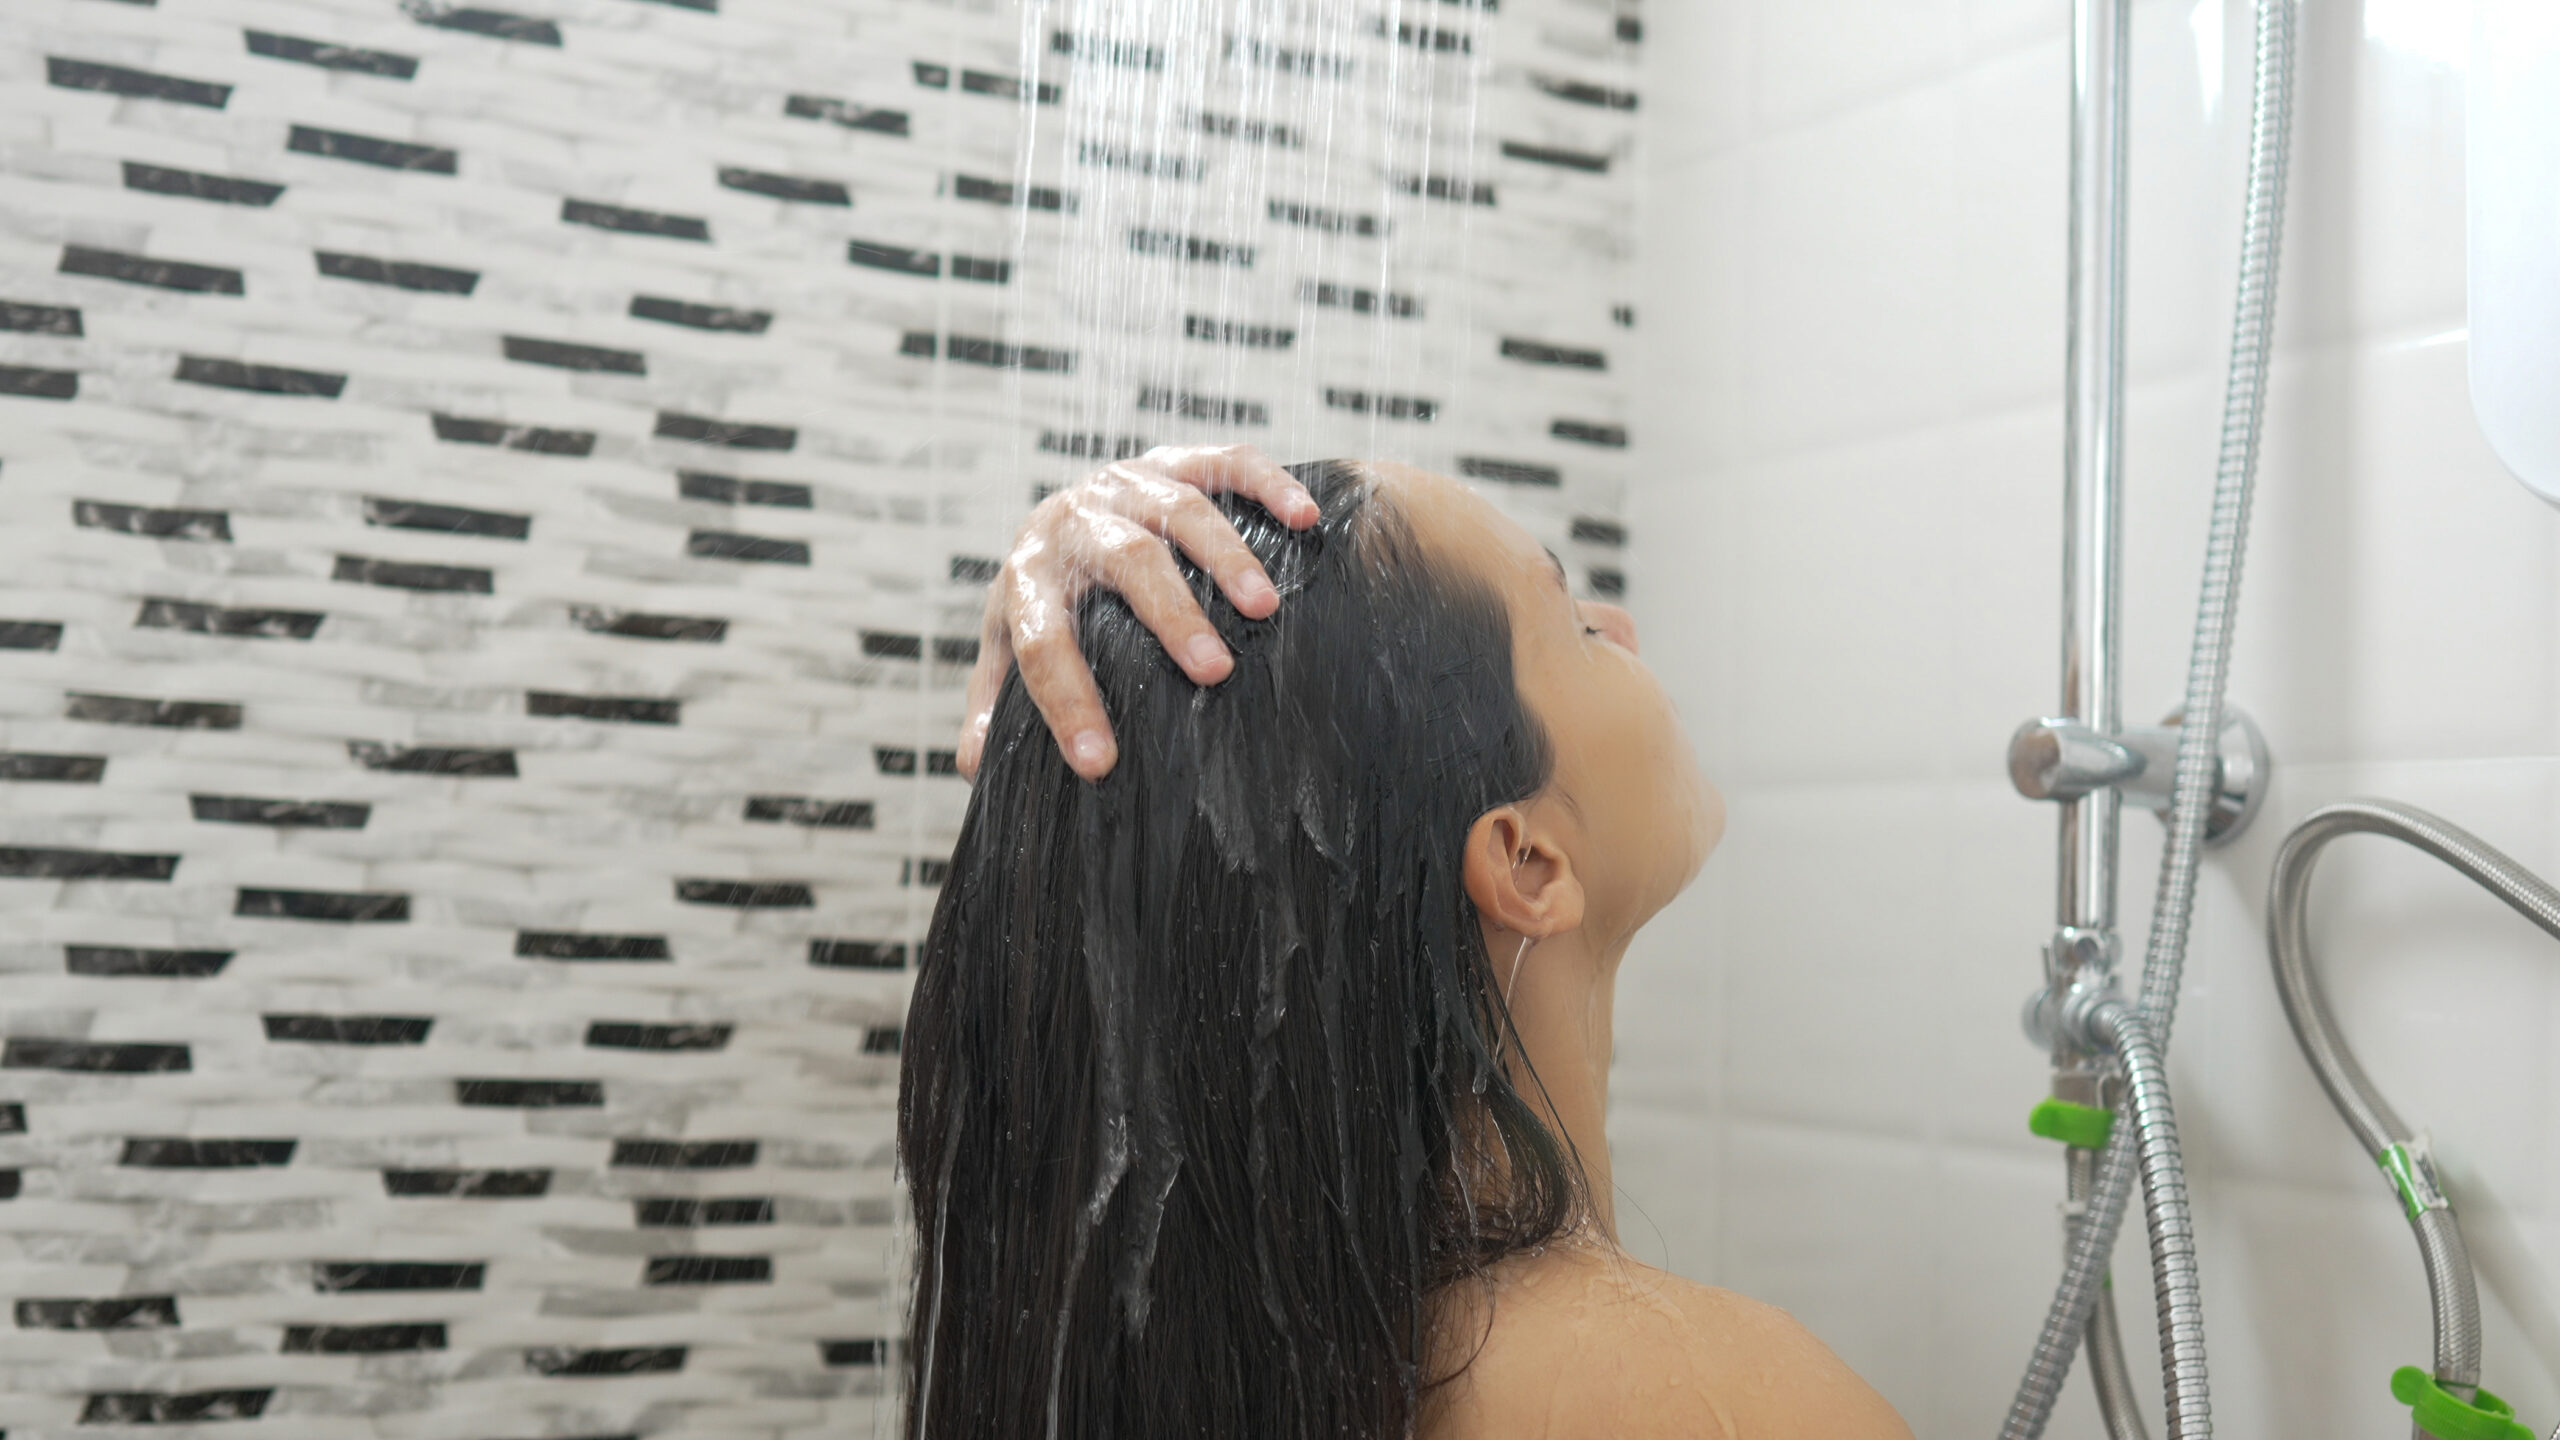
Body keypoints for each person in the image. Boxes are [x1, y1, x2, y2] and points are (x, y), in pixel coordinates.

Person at [906, 446, 1912, 1439]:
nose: (1624, 627)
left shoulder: (1159, 1356)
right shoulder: (1715, 1401)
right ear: (1527, 864)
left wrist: (1108, 654)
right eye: (1571, 622)